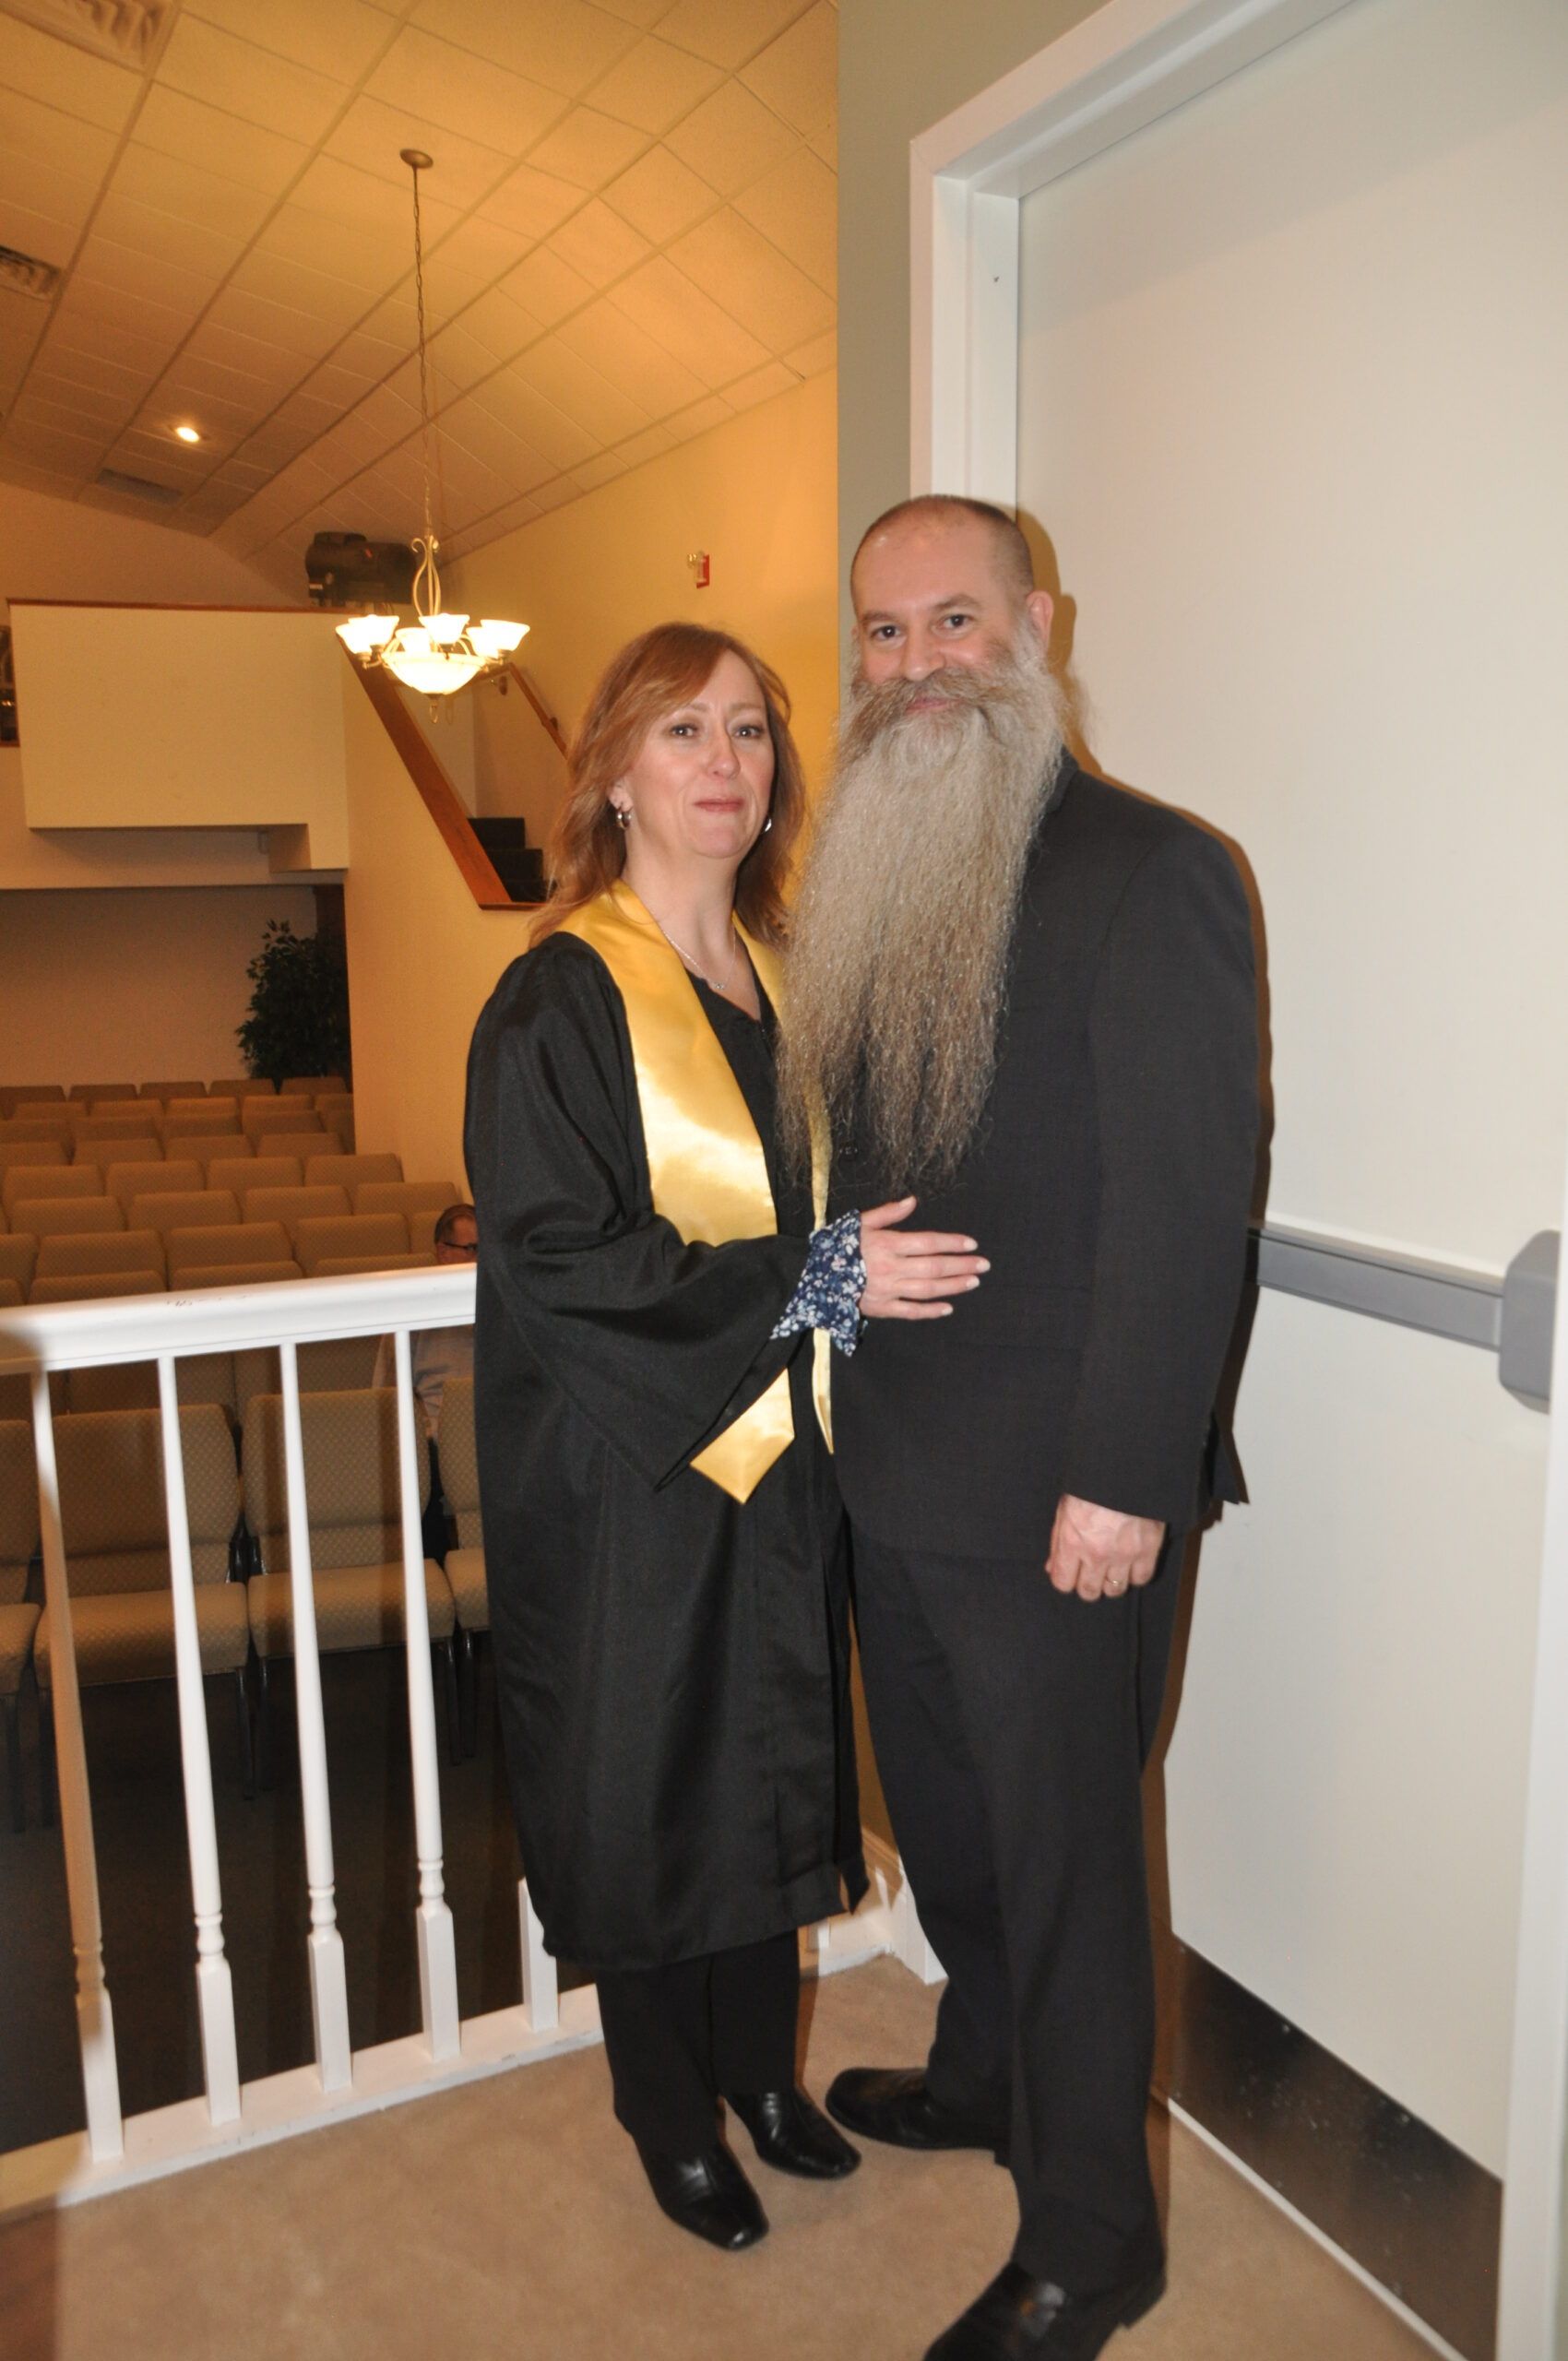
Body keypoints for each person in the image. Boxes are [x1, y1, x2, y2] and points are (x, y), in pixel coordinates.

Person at [778, 496, 1259, 2361]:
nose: (913, 667)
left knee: (1063, 1875)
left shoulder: (1154, 868)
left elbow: (1184, 1195)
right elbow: (846, 1184)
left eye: (952, 621)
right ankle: (981, 2076)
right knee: (955, 1841)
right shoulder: (869, 869)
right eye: (881, 634)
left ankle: (1094, 2237)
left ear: (1035, 620)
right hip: (892, 1469)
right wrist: (817, 1299)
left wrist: (1125, 1480)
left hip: (1063, 1495)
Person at [463, 621, 985, 2255]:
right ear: (614, 768)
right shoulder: (559, 997)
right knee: (650, 1799)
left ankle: (765, 2077)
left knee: (775, 1783)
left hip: (781, 1466)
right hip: (632, 1481)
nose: (724, 764)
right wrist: (817, 1278)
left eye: (751, 732)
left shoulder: (789, 983)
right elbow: (563, 1263)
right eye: (682, 731)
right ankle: (666, 2114)